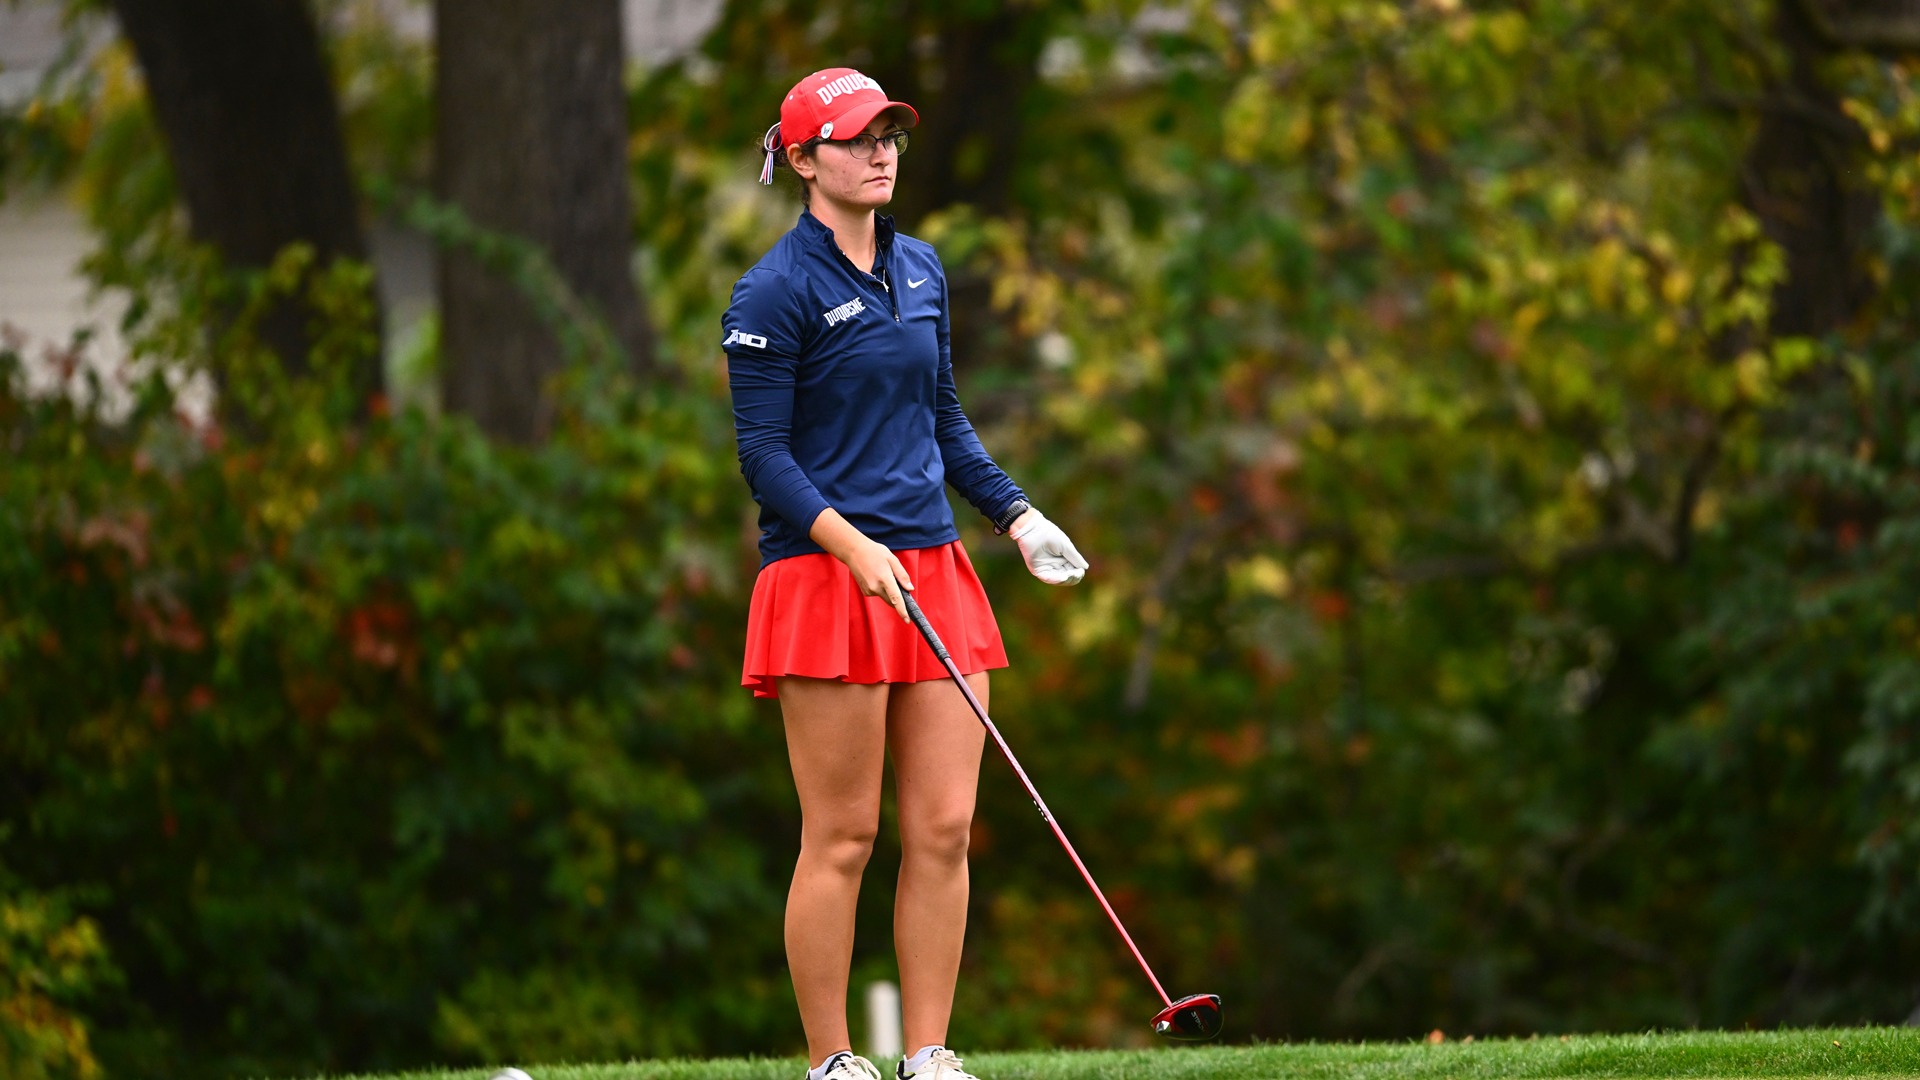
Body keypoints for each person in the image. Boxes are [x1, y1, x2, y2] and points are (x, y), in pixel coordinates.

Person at [721, 68, 1090, 1080]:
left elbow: (944, 422)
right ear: (802, 159)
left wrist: (1017, 514)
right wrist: (851, 545)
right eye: (855, 138)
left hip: (933, 570)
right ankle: (834, 1062)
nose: (881, 151)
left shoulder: (921, 268)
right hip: (826, 578)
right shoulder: (773, 291)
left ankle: (928, 1054)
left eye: (890, 134)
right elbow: (766, 458)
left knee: (945, 827)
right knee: (843, 835)